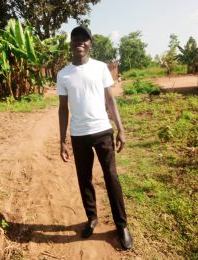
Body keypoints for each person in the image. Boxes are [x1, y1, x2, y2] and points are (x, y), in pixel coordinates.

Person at [57, 25, 132, 250]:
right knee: (84, 178)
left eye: (84, 38)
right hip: (78, 135)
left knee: (111, 177)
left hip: (102, 131)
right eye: (75, 38)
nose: (80, 41)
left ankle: (122, 226)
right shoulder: (63, 74)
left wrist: (121, 128)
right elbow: (63, 109)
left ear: (90, 44)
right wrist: (62, 140)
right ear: (70, 43)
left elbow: (110, 101)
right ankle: (92, 218)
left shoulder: (100, 68)